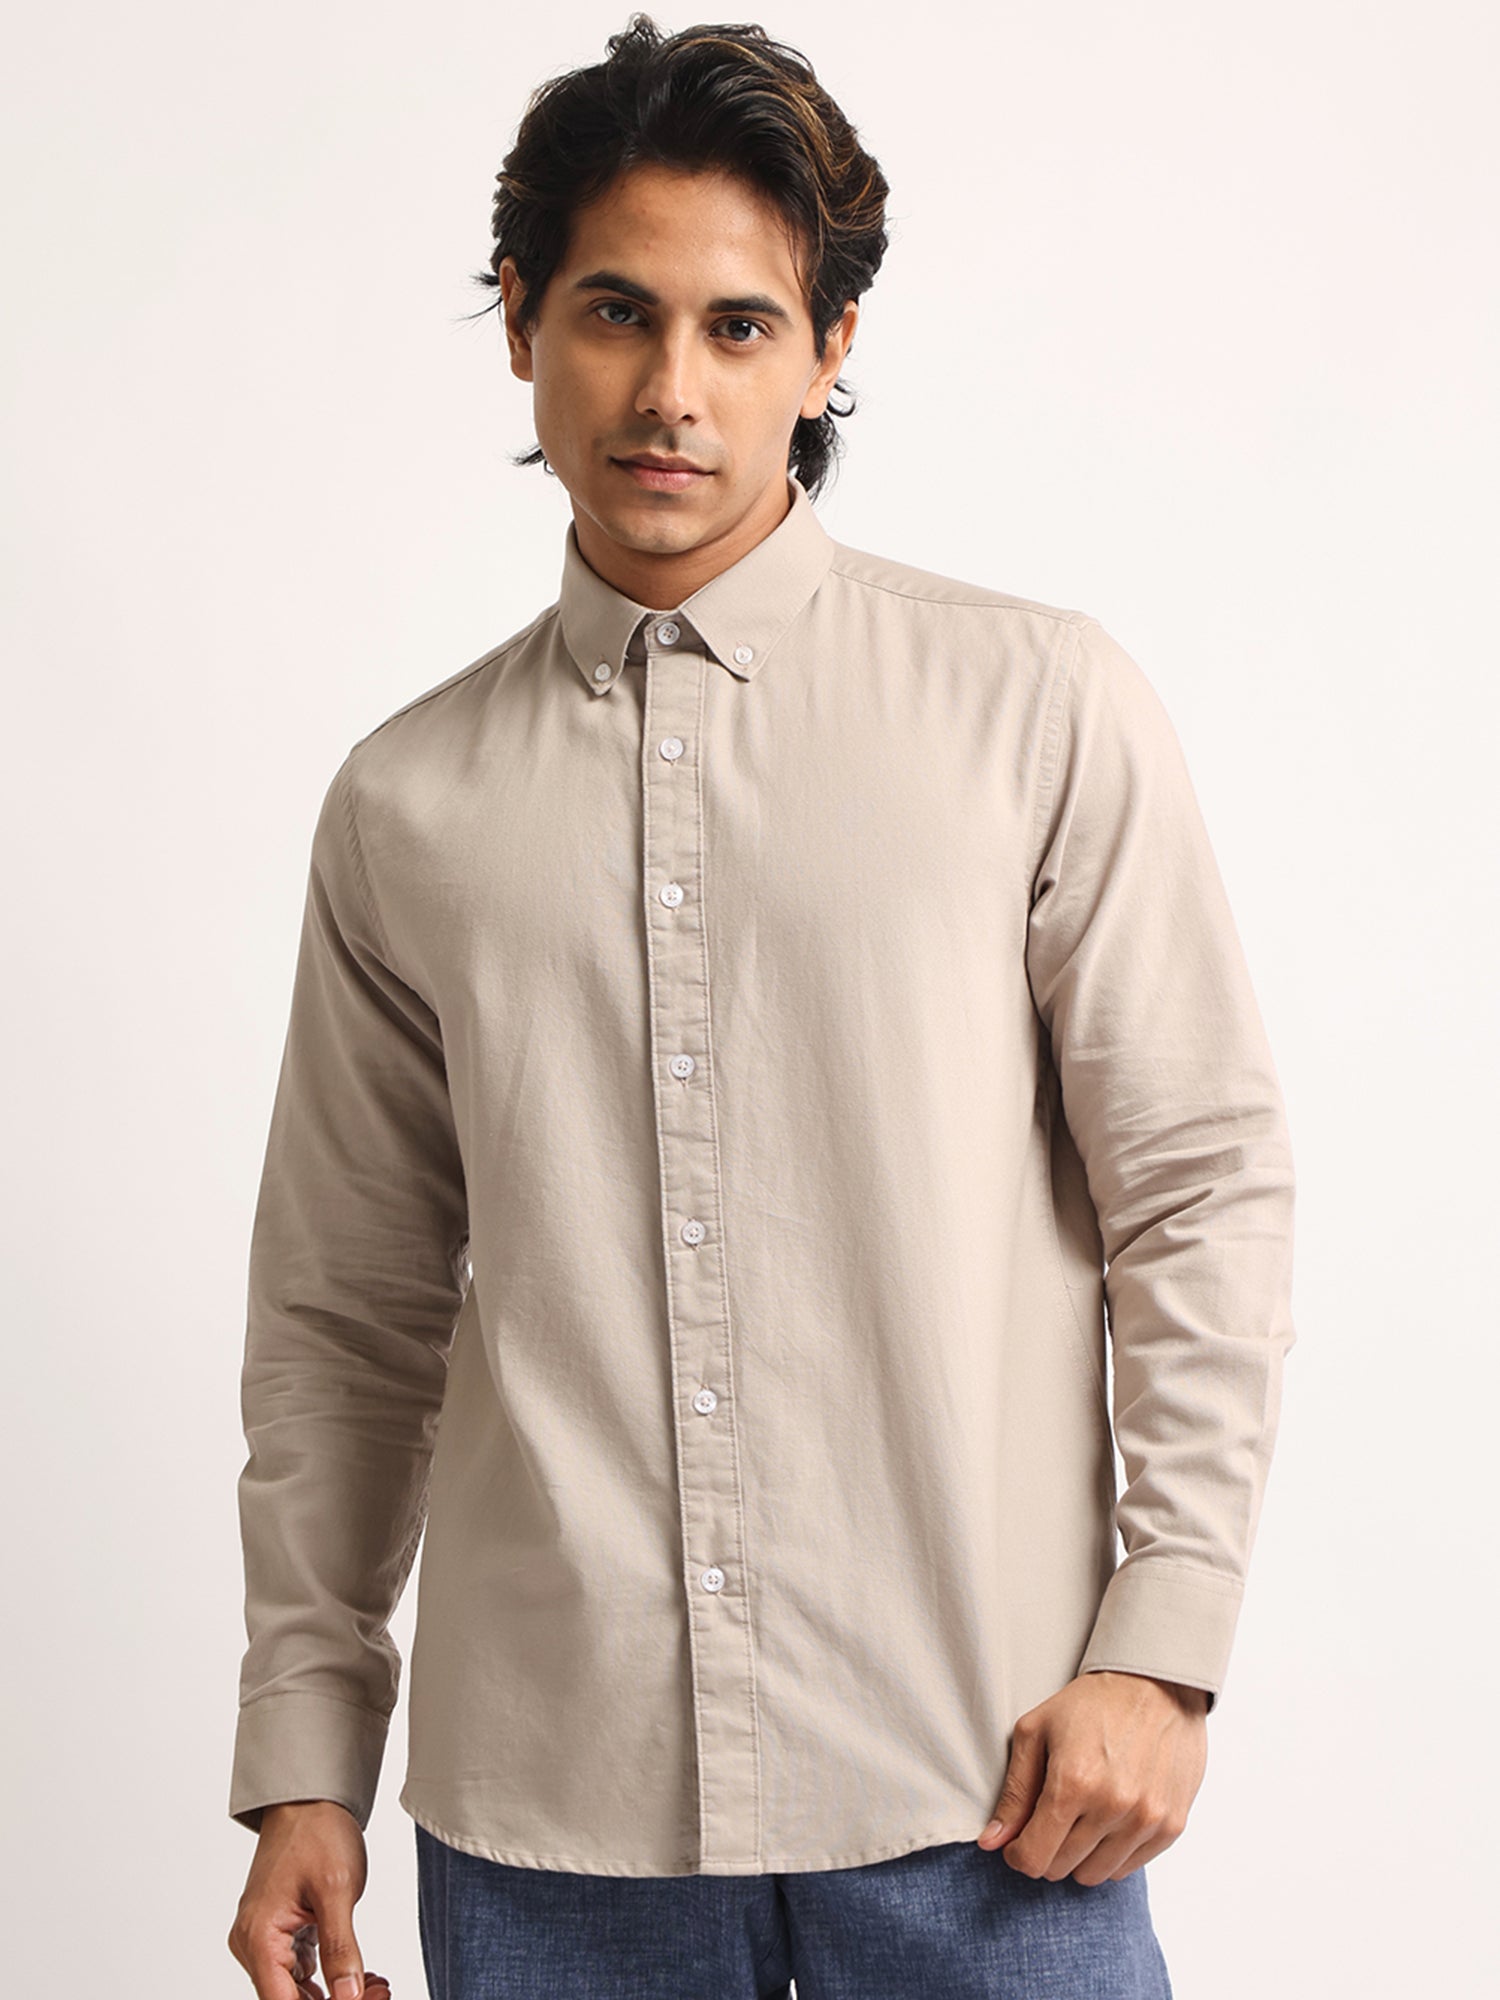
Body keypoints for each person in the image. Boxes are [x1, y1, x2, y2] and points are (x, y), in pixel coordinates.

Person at [226, 15, 1298, 1999]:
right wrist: (306, 1757)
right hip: (555, 1826)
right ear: (520, 320)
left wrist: (1164, 1651)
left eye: (739, 326)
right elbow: (344, 1318)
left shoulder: (1035, 709)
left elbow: (1200, 1192)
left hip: (991, 1786)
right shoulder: (405, 803)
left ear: (831, 349)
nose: (671, 391)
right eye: (614, 312)